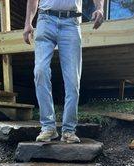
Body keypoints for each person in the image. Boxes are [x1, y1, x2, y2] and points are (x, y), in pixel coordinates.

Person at [23, 0, 104, 143]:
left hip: (71, 22)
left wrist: (100, 8)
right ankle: (48, 127)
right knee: (40, 71)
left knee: (73, 79)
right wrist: (28, 22)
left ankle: (68, 130)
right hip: (45, 20)